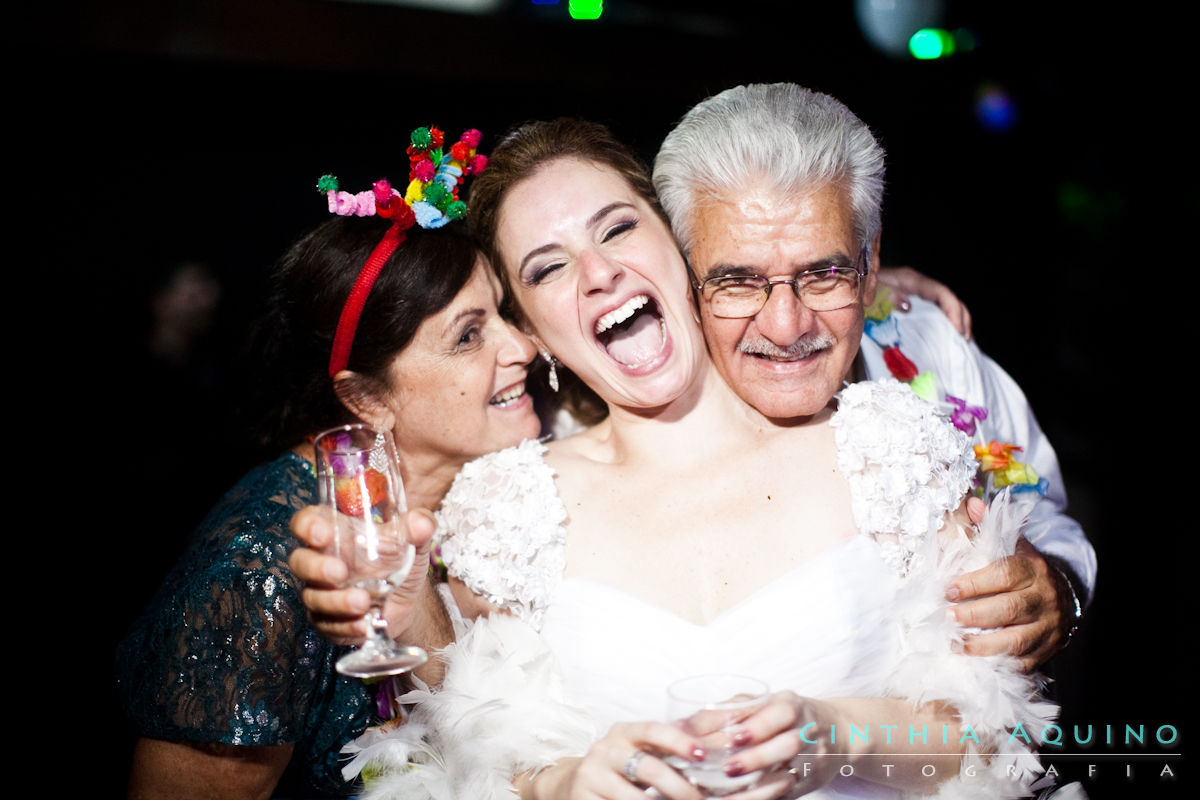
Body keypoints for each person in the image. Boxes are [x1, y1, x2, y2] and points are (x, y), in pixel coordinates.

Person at [328, 112, 1062, 799]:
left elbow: (993, 735)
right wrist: (569, 783)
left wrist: (836, 735)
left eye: (616, 229)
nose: (597, 274)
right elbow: (470, 757)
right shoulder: (504, 513)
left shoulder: (886, 446)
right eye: (547, 269)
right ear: (533, 332)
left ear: (682, 249)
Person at [114, 128, 543, 799]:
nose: (524, 346)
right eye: (468, 335)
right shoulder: (262, 564)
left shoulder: (490, 503)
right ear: (366, 398)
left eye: (504, 314)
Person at [650, 82, 1095, 673]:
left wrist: (1060, 591)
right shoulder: (643, 401)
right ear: (686, 278)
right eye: (738, 281)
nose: (785, 327)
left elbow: (1048, 518)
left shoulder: (929, 343)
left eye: (824, 273)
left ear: (871, 264)